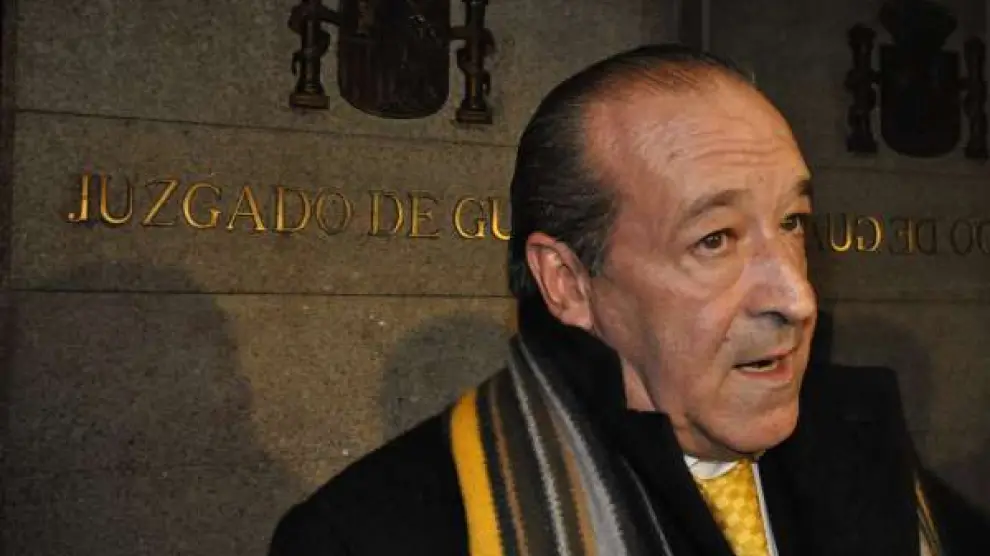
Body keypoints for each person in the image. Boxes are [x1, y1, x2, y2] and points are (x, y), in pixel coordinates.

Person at [267, 44, 987, 556]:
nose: (797, 298)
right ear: (568, 281)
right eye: (715, 240)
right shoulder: (369, 537)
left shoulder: (876, 467)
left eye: (793, 222)